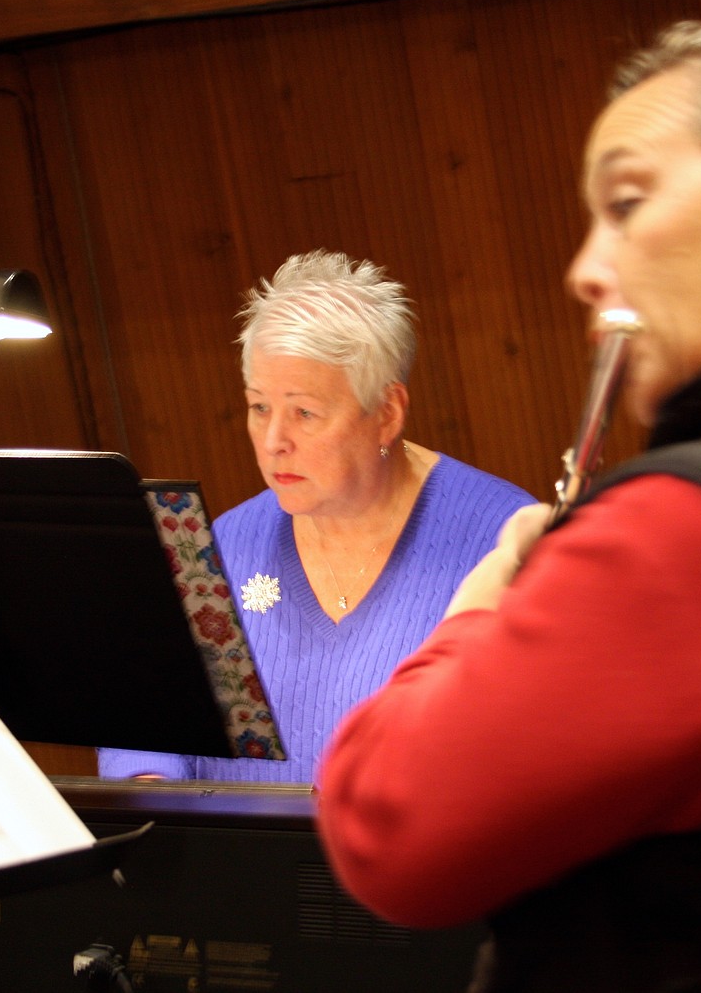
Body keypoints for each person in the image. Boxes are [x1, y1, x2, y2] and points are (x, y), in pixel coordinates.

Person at [316, 21, 701, 992]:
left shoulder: (689, 529)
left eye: (628, 202)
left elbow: (387, 827)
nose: (586, 268)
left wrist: (485, 602)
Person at [99, 250, 533, 783]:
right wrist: (151, 784)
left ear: (387, 413)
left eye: (304, 412)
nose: (275, 441)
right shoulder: (215, 549)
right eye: (260, 407)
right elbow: (143, 723)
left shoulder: (504, 538)